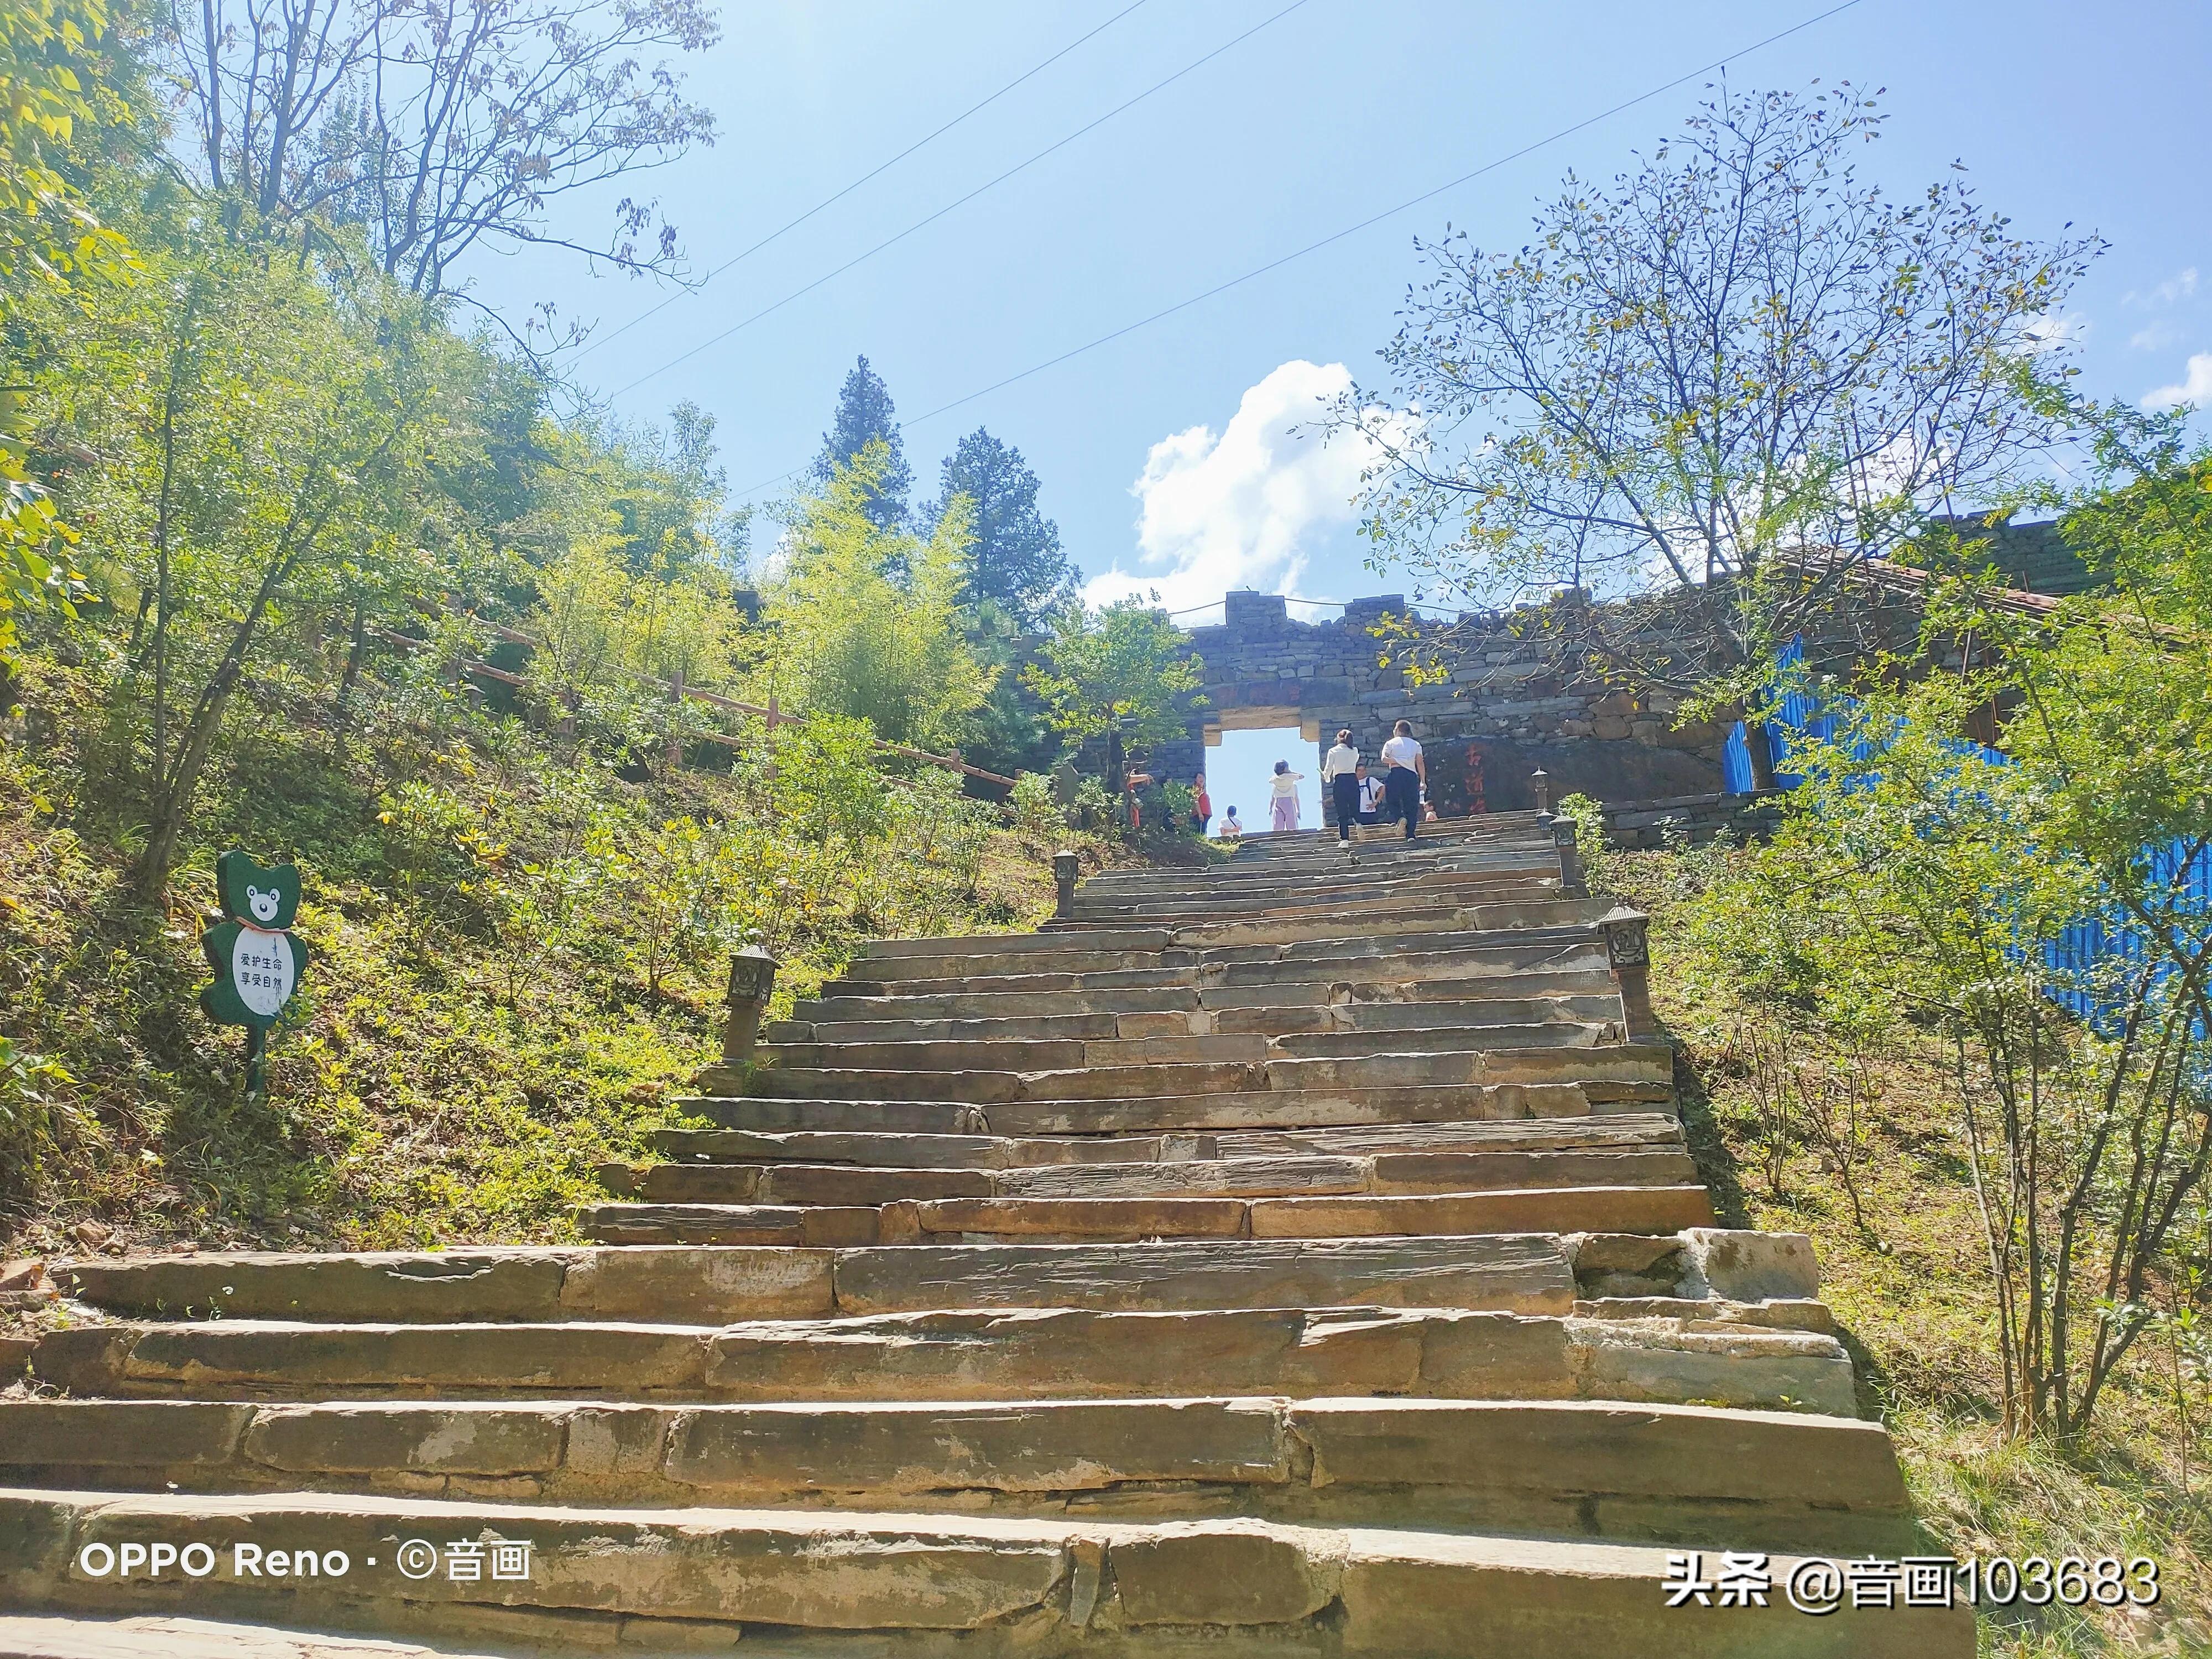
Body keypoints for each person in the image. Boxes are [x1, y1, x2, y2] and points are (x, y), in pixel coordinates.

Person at [1380, 719, 1425, 840]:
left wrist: (1397, 760)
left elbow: (1384, 759)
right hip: (1411, 775)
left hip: (1396, 773)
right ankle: (1410, 834)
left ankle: (1400, 818)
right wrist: (1423, 781)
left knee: (1392, 800)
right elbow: (1420, 763)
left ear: (1399, 730)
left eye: (1395, 729)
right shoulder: (1416, 745)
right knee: (1411, 805)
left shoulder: (1390, 743)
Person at [1321, 727, 1361, 843]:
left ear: (1338, 739)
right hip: (1353, 780)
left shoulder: (1333, 751)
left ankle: (1345, 840)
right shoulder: (1355, 751)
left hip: (1340, 781)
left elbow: (1328, 769)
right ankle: (1358, 823)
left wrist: (1326, 777)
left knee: (1342, 812)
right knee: (1354, 807)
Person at [1267, 759, 1303, 833]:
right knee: (1291, 820)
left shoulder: (1275, 779)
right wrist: (1291, 772)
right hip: (1289, 800)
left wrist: (1270, 808)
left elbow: (1273, 797)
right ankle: (1293, 833)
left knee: (1278, 821)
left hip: (1278, 801)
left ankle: (1277, 833)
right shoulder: (1289, 777)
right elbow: (1301, 777)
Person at [1355, 761, 1386, 825]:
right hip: (1356, 813)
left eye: (1364, 770)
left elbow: (1383, 788)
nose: (1362, 773)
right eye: (1359, 770)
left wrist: (1376, 802)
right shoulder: (1353, 782)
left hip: (1369, 812)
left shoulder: (1370, 780)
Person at [1191, 772, 1211, 836]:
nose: (1201, 779)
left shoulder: (1202, 790)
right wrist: (1200, 814)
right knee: (1200, 831)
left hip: (1205, 813)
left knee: (1203, 830)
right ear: (1196, 780)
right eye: (1199, 777)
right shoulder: (1197, 789)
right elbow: (1196, 801)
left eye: (1203, 777)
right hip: (1200, 814)